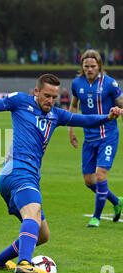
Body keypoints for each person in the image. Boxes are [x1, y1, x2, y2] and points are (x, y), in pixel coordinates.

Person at [0, 74, 123, 273]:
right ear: (36, 92)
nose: (50, 101)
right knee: (32, 214)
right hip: (17, 171)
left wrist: (108, 117)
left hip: (23, 176)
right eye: (46, 96)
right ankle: (25, 263)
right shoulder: (19, 101)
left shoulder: (57, 115)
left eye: (54, 97)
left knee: (42, 235)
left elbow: (85, 120)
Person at [68, 49, 123, 227]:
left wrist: (119, 110)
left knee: (100, 176)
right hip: (89, 137)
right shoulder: (77, 83)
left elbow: (121, 102)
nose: (89, 69)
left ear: (99, 66)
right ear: (82, 67)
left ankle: (96, 218)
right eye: (86, 66)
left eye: (93, 66)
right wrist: (71, 130)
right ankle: (116, 201)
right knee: (89, 181)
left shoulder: (109, 84)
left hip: (108, 135)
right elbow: (74, 105)